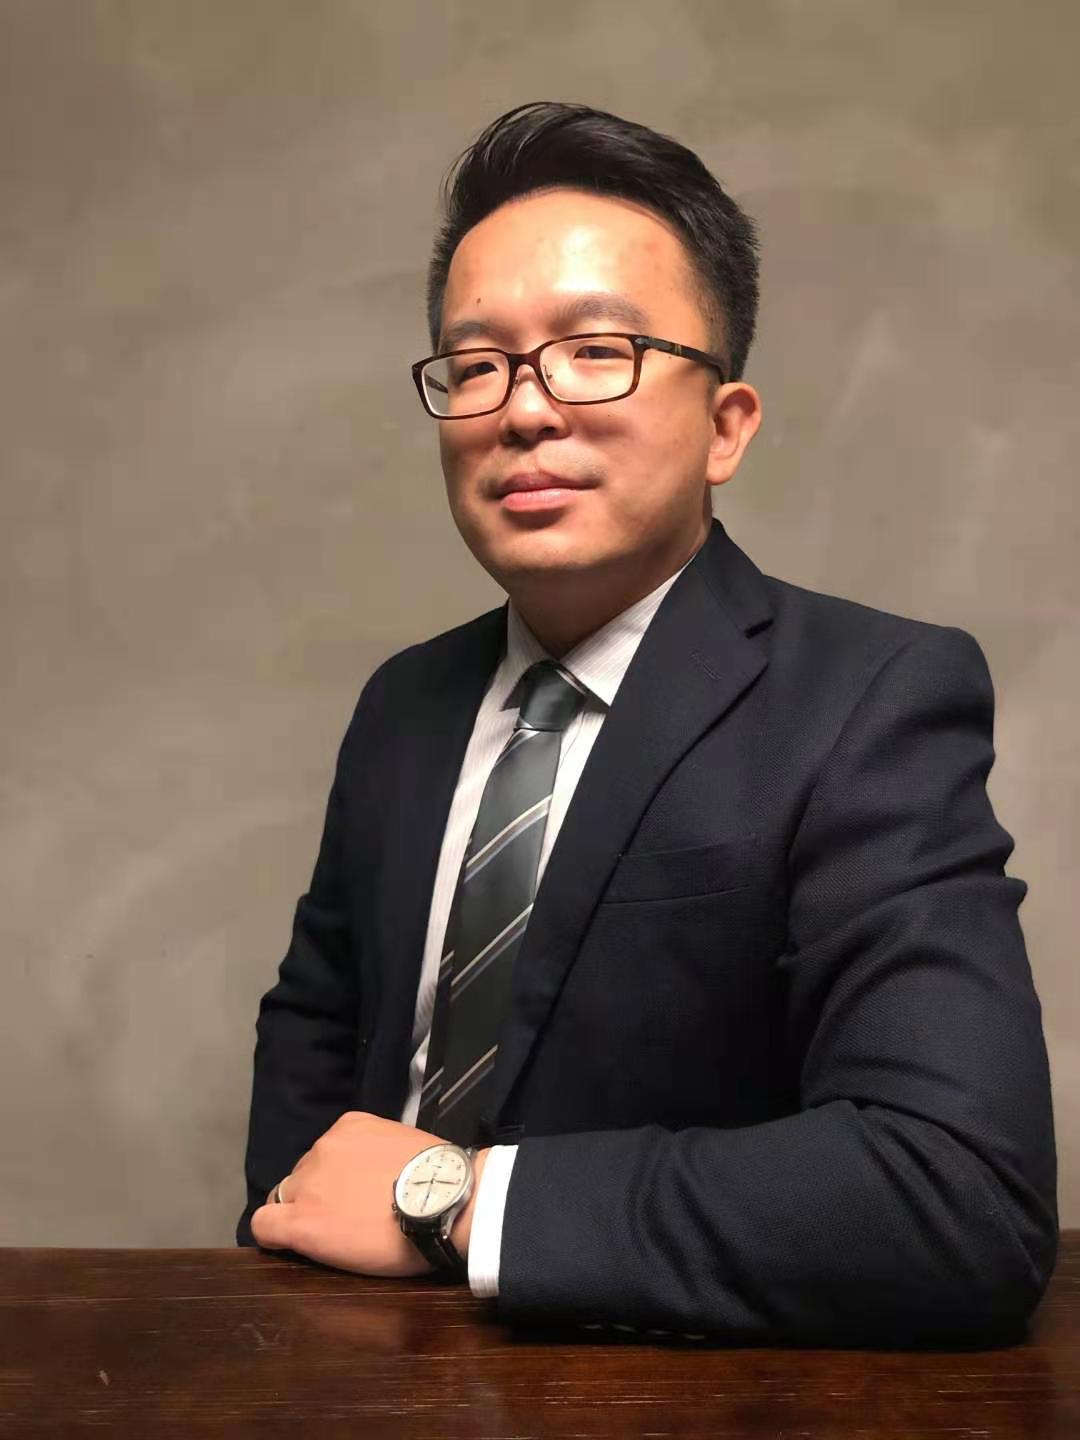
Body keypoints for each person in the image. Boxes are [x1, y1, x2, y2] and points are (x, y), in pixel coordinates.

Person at [238, 102, 1057, 1344]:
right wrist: (293, 1234)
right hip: (352, 1375)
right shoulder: (404, 706)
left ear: (727, 427)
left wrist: (452, 1204)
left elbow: (959, 1196)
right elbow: (316, 1025)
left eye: (595, 350)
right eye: (477, 364)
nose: (523, 411)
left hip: (672, 1385)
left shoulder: (871, 697)